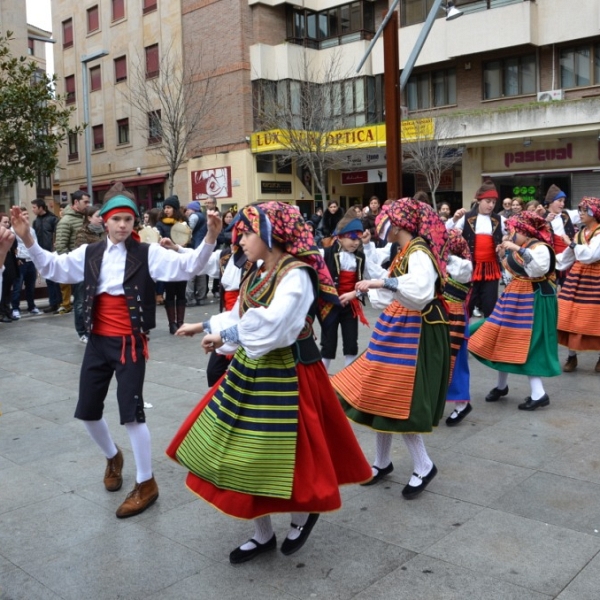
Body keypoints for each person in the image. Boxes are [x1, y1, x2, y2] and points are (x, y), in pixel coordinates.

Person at [166, 201, 371, 564]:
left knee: (285, 455)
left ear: (269, 232)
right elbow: (243, 312)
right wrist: (204, 326)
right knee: (241, 453)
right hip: (251, 369)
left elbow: (277, 326)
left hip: (289, 374)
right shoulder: (259, 269)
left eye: (245, 232)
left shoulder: (297, 274)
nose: (239, 239)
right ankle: (262, 533)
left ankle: (301, 515)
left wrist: (224, 333)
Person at [9, 182, 221, 519]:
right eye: (117, 219)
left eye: (128, 219)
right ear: (104, 221)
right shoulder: (90, 253)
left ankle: (146, 482)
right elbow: (52, 267)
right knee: (88, 411)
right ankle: (113, 456)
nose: (123, 225)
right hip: (97, 342)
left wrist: (210, 237)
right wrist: (28, 238)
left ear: (134, 222)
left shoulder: (147, 253)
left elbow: (189, 266)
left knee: (131, 414)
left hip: (129, 342)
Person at [331, 197, 450, 499]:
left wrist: (380, 284)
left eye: (385, 220)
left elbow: (420, 292)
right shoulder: (406, 250)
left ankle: (423, 464)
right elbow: (392, 291)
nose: (380, 224)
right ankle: (382, 462)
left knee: (399, 397)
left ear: (398, 224)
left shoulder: (419, 252)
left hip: (416, 332)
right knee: (378, 391)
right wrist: (359, 293)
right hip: (399, 327)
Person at [469, 212, 560, 410]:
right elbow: (514, 270)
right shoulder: (526, 246)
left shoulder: (541, 248)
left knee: (529, 343)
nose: (512, 234)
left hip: (535, 300)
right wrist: (504, 253)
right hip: (517, 297)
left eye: (516, 230)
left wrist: (516, 248)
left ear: (526, 232)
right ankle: (502, 386)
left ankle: (539, 393)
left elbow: (537, 269)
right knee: (502, 336)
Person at [447, 179, 506, 318]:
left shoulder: (499, 219)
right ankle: (465, 337)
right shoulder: (466, 218)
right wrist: (454, 219)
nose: (491, 205)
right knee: (467, 305)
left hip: (491, 270)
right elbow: (445, 232)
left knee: (490, 306)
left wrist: (505, 240)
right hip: (470, 268)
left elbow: (513, 233)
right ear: (479, 200)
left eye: (493, 202)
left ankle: (487, 337)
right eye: (488, 201)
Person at [320, 209, 369, 372]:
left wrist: (353, 294)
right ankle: (322, 378)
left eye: (358, 239)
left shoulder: (360, 258)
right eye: (352, 237)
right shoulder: (326, 253)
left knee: (351, 341)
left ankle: (348, 379)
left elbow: (365, 283)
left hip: (351, 306)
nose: (355, 243)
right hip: (330, 305)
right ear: (340, 236)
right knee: (328, 342)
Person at [556, 196, 600, 373]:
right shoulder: (579, 233)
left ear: (594, 213)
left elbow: (591, 255)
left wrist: (572, 244)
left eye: (584, 211)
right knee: (569, 315)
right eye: (580, 210)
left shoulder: (599, 233)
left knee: (594, 316)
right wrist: (549, 259)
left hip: (596, 278)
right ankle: (571, 356)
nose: (581, 214)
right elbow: (567, 257)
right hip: (577, 278)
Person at [443, 230, 474, 426]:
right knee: (442, 358)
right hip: (443, 313)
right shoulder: (444, 262)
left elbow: (457, 268)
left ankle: (462, 403)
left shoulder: (463, 265)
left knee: (457, 360)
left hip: (455, 316)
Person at [55, 190, 91, 337]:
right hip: (78, 268)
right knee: (81, 301)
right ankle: (82, 332)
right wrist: (72, 265)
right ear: (76, 203)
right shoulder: (66, 221)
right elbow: (61, 247)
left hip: (92, 266)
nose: (88, 205)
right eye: (85, 202)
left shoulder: (87, 218)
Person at [156, 195, 189, 334]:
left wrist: (185, 242)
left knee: (181, 292)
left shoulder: (183, 223)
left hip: (181, 261)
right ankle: (172, 324)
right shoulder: (160, 224)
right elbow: (158, 241)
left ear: (175, 209)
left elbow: (189, 240)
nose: (166, 210)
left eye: (168, 207)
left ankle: (181, 322)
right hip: (168, 262)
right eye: (165, 207)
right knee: (170, 293)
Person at [537, 184, 581, 286]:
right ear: (551, 202)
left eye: (563, 201)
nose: (562, 204)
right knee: (550, 291)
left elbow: (588, 213)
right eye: (559, 200)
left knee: (568, 289)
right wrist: (543, 220)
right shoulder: (540, 217)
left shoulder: (567, 215)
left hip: (568, 260)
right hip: (550, 261)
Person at [31, 199, 61, 313]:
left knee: (56, 278)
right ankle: (53, 303)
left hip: (52, 253)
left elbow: (57, 235)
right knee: (48, 279)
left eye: (34, 207)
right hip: (42, 253)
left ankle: (60, 302)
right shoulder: (36, 222)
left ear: (41, 207)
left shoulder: (53, 219)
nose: (33, 210)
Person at [10, 207, 40, 318]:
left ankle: (31, 306)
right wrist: (16, 259)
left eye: (27, 213)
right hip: (20, 260)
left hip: (31, 260)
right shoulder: (13, 229)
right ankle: (15, 308)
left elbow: (35, 244)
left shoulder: (31, 230)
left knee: (30, 285)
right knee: (18, 286)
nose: (26, 215)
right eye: (24, 214)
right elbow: (12, 247)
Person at [0, 215, 17, 323]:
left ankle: (7, 311)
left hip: (10, 263)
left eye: (8, 222)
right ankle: (2, 313)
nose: (7, 224)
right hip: (3, 264)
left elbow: (14, 246)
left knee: (7, 290)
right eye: (4, 222)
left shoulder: (10, 234)